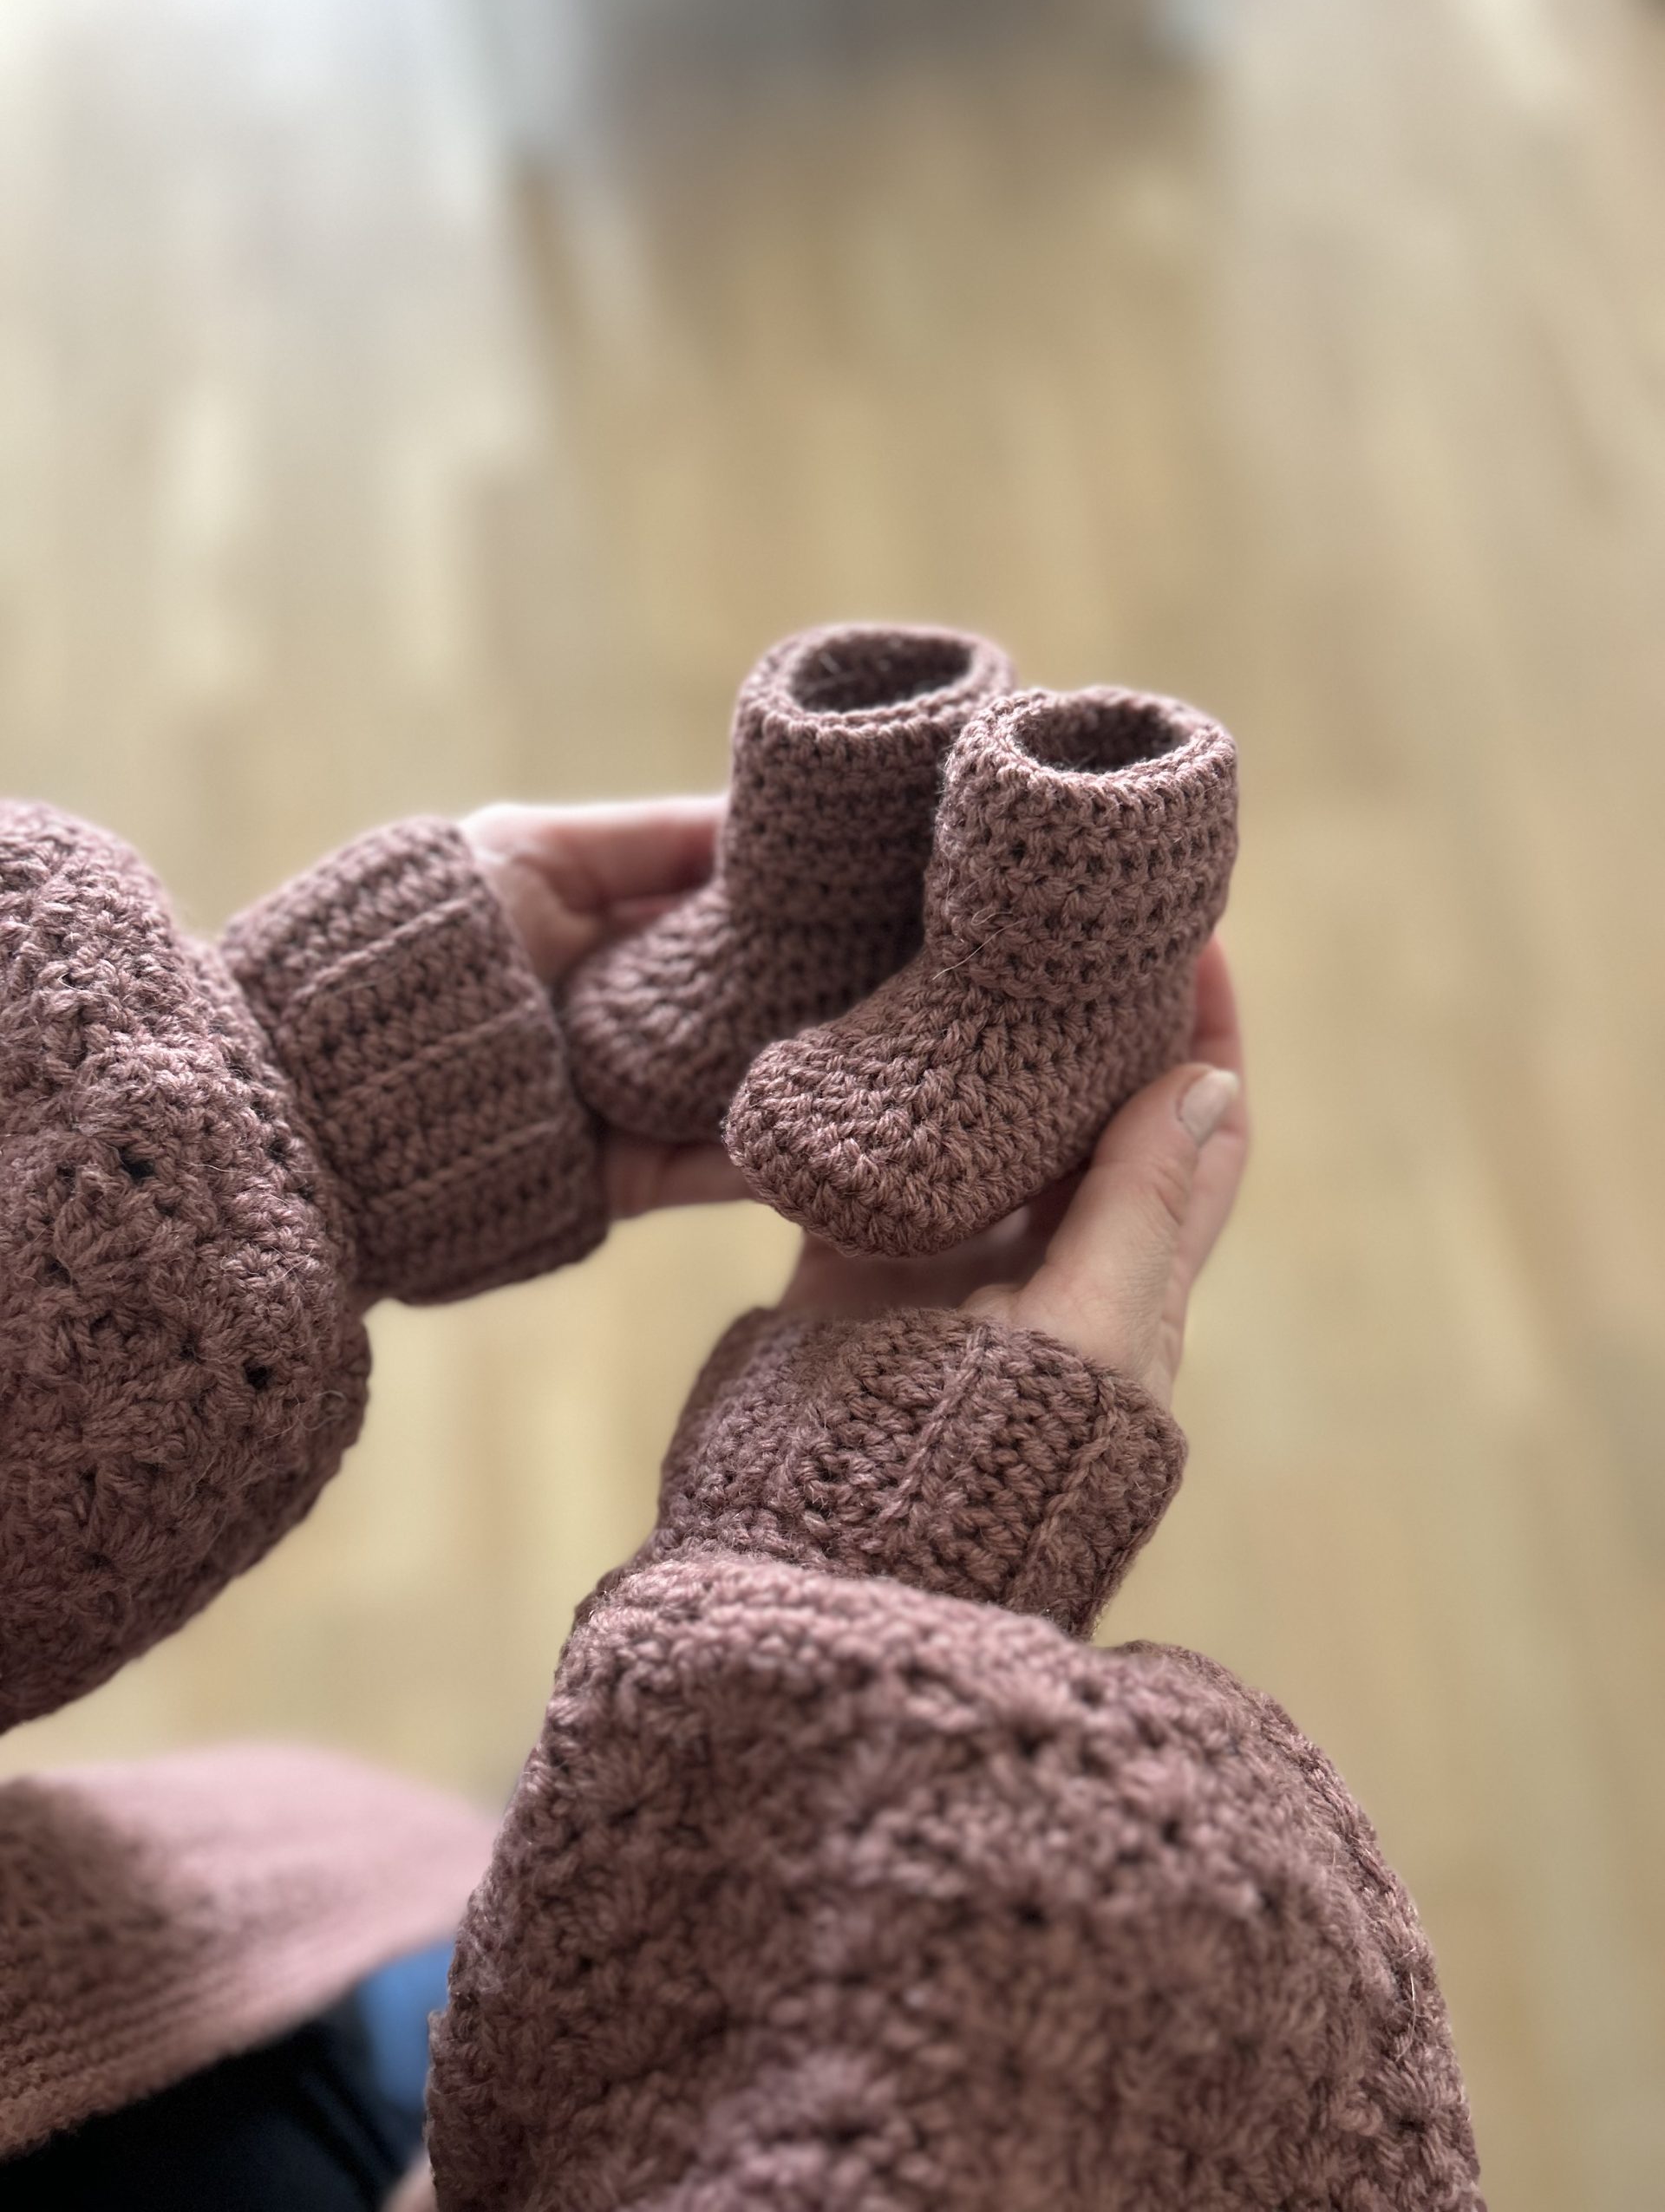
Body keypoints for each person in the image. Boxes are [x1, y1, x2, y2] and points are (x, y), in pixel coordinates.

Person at [0, 794, 1480, 2208]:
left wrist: (215, 1137)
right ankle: (619, 1828)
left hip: (200, 1989)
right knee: (492, 1948)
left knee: (456, 1937)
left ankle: (597, 1835)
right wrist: (855, 1621)